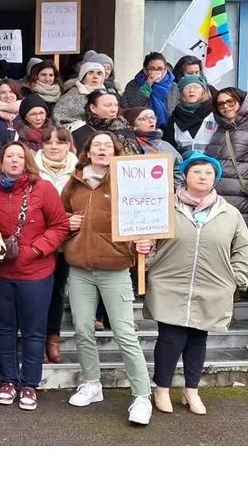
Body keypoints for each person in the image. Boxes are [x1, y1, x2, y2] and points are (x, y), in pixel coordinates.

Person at [142, 152, 248, 414]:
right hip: (170, 281)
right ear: (185, 176)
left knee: (198, 337)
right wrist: (147, 257)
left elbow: (243, 248)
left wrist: (236, 277)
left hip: (212, 284)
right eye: (196, 172)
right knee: (170, 337)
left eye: (208, 173)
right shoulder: (166, 206)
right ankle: (162, 388)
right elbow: (148, 240)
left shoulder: (230, 213)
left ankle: (191, 390)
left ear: (215, 178)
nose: (202, 177)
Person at [61, 132, 153, 425]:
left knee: (125, 333)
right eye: (96, 145)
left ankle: (141, 396)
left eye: (107, 145)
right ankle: (91, 384)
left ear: (116, 152)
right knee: (83, 329)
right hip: (80, 269)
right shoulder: (74, 182)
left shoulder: (129, 180)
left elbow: (149, 217)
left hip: (115, 269)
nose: (101, 149)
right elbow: (59, 216)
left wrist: (145, 242)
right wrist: (67, 223)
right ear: (87, 152)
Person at [0, 141, 69, 411]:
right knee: (4, 328)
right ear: (2, 160)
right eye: (9, 155)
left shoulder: (43, 189)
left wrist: (35, 250)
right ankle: (8, 379)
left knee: (33, 331)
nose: (14, 160)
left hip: (35, 272)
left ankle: (30, 383)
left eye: (20, 156)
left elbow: (59, 225)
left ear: (27, 161)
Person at [34, 126, 79, 363]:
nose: (53, 147)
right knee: (36, 293)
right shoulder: (30, 168)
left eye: (60, 142)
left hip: (67, 241)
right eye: (48, 142)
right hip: (37, 239)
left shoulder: (79, 170)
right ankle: (35, 339)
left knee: (58, 291)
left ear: (68, 145)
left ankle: (53, 338)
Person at [205, 87, 248, 229]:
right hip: (217, 200)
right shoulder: (220, 128)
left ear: (241, 102)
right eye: (220, 104)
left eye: (230, 101)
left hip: (243, 199)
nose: (225, 106)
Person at [70, 90, 143, 154]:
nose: (114, 109)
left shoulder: (124, 127)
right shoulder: (80, 132)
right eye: (108, 105)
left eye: (116, 105)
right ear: (93, 108)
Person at [122, 52, 180, 130]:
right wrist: (148, 84)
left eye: (160, 69)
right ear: (145, 70)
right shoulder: (134, 84)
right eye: (152, 69)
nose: (156, 71)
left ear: (165, 70)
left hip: (168, 130)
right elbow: (133, 105)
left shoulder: (174, 87)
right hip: (141, 130)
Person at [124, 107, 183, 183]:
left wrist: (174, 190)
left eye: (153, 117)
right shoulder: (127, 145)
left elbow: (178, 170)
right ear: (133, 124)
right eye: (144, 119)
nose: (151, 121)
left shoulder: (165, 146)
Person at [169, 73, 214, 154]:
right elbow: (170, 148)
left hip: (211, 165)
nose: (191, 90)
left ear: (203, 91)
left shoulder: (213, 114)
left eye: (196, 87)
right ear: (181, 92)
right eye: (187, 87)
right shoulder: (175, 117)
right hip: (184, 165)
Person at [53, 61, 108, 127]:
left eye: (99, 74)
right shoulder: (71, 96)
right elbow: (59, 119)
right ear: (83, 77)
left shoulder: (109, 95)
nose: (95, 77)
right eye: (90, 73)